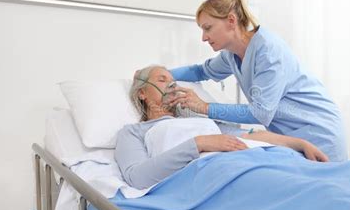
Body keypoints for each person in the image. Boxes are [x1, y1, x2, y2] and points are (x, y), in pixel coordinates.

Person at [166, 0, 347, 162]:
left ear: (231, 20)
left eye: (208, 28)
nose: (203, 38)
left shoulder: (267, 51)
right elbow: (200, 71)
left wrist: (205, 107)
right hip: (289, 138)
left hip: (317, 130)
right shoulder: (231, 55)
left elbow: (261, 113)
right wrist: (159, 73)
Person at [115, 65, 329, 190]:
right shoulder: (133, 132)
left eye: (173, 80)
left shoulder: (199, 121)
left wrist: (300, 143)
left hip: (255, 162)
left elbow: (251, 135)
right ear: (142, 93)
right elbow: (138, 177)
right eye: (162, 80)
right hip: (215, 177)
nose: (172, 85)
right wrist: (200, 143)